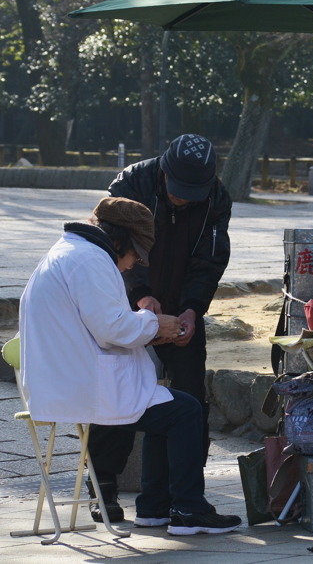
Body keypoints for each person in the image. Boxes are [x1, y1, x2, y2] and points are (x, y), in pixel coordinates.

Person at [18, 196, 241, 535]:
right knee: (186, 411)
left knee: (166, 406)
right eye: (135, 255)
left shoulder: (72, 252)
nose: (131, 265)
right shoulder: (90, 260)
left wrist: (149, 328)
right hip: (83, 385)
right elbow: (112, 328)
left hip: (66, 376)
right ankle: (187, 509)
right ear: (120, 241)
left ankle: (154, 509)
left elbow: (102, 324)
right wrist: (156, 325)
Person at [87, 133, 233, 523]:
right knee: (116, 390)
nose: (183, 198)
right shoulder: (130, 184)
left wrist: (191, 310)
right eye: (178, 188)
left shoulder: (216, 198)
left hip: (182, 305)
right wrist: (141, 296)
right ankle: (103, 489)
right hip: (126, 303)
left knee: (188, 399)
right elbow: (112, 248)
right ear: (162, 170)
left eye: (193, 191)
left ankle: (174, 497)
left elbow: (210, 259)